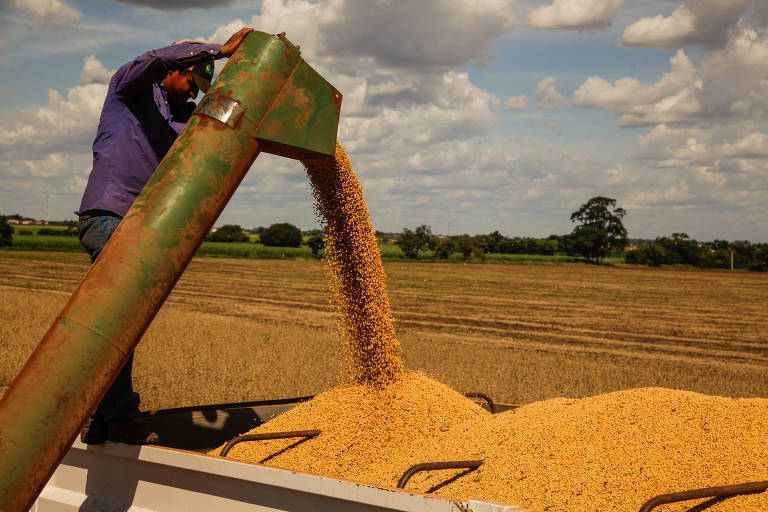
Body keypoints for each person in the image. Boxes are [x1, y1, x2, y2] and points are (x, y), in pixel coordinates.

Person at [76, 27, 254, 445]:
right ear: (178, 68)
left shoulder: (180, 120)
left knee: (120, 325)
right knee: (117, 325)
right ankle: (116, 417)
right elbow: (157, 59)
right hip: (109, 217)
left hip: (136, 224)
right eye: (193, 81)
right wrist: (221, 51)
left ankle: (101, 422)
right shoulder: (129, 91)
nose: (193, 93)